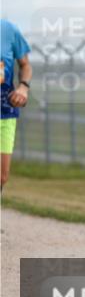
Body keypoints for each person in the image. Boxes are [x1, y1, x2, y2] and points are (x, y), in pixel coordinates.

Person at [1, 18, 32, 192]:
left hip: (4, 110)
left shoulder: (8, 29)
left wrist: (23, 87)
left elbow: (25, 65)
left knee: (2, 176)